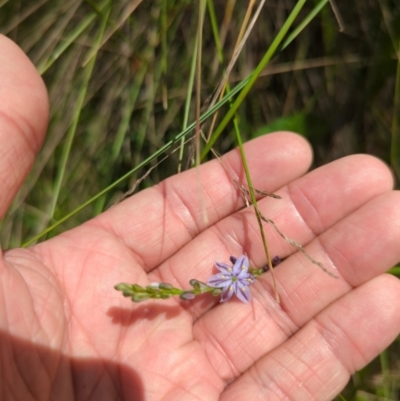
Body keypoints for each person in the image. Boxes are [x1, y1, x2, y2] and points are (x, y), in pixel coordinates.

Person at [0, 34, 399, 401]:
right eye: (232, 279)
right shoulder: (232, 279)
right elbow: (223, 282)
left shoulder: (234, 278)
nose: (233, 279)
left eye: (233, 279)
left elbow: (226, 280)